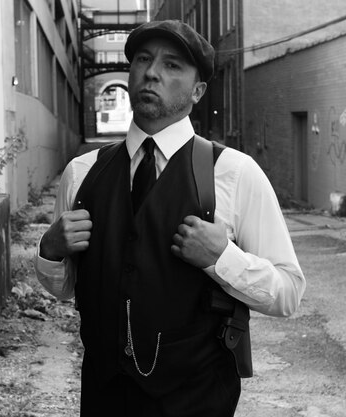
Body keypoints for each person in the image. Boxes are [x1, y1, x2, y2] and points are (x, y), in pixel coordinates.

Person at [35, 19, 305, 417]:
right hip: (104, 396)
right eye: (143, 59)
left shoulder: (233, 173)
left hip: (197, 399)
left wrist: (221, 258)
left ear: (198, 91)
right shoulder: (81, 173)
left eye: (172, 65)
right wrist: (50, 251)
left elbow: (288, 292)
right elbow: (66, 289)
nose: (151, 72)